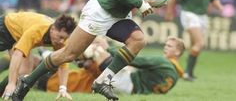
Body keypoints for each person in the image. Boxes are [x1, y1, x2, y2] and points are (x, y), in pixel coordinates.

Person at [12, 0, 172, 101]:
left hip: (118, 15)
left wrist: (152, 2)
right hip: (101, 12)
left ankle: (102, 81)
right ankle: (27, 81)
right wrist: (139, 3)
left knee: (138, 40)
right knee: (68, 54)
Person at [1, 36, 185, 95]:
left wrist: (108, 48)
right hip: (131, 87)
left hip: (52, 82)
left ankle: (62, 52)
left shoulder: (164, 62)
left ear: (177, 52)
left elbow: (134, 59)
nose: (165, 49)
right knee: (31, 62)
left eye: (169, 46)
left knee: (98, 50)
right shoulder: (176, 76)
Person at [165, 0, 223, 81]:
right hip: (189, 13)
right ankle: (184, 72)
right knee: (200, 43)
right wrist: (169, 12)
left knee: (194, 45)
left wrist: (220, 7)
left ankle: (188, 73)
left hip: (202, 16)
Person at [0, 11, 77, 100]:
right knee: (16, 74)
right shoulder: (37, 30)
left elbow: (63, 63)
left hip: (20, 35)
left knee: (24, 71)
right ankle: (9, 87)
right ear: (52, 29)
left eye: (65, 38)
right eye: (60, 37)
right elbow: (18, 54)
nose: (62, 41)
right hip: (5, 28)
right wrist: (11, 83)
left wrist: (63, 88)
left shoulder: (60, 40)